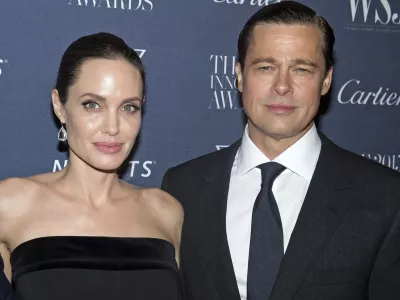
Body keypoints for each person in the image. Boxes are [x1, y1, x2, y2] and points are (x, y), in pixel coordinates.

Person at [161, 2, 400, 300]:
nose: (282, 86)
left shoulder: (386, 197)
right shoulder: (182, 187)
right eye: (265, 67)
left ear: (326, 80)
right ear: (239, 75)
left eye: (301, 69)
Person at [0, 32, 184, 300]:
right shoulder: (11, 204)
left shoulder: (165, 211)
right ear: (60, 106)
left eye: (128, 108)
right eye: (92, 105)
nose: (112, 127)